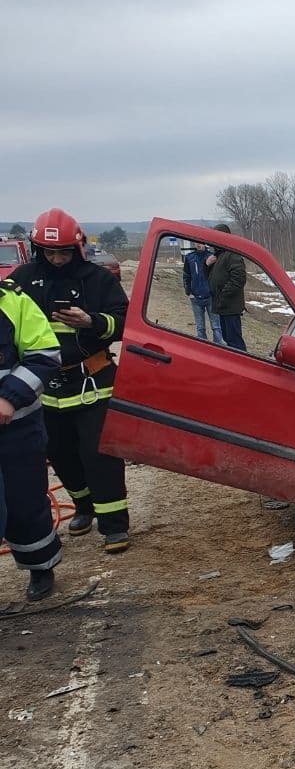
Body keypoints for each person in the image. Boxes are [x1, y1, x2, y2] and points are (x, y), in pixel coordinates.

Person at [9, 208, 131, 554]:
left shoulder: (98, 279)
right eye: (50, 252)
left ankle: (114, 525)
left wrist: (92, 321)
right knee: (59, 453)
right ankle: (84, 507)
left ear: (76, 248)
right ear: (38, 250)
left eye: (64, 251)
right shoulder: (22, 279)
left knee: (100, 455)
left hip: (93, 381)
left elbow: (124, 322)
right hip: (44, 388)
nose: (57, 259)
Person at [0, 280, 63, 599]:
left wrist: (10, 398)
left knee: (25, 503)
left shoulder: (12, 302)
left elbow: (44, 353)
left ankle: (41, 567)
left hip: (15, 431)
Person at [206, 223, 247, 351]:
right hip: (221, 306)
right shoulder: (218, 255)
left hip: (230, 306)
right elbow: (211, 277)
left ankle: (242, 365)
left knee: (234, 340)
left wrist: (223, 295)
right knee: (227, 338)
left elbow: (239, 279)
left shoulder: (232, 254)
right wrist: (206, 265)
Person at [182, 243, 224, 344]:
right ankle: (203, 350)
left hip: (210, 297)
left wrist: (217, 292)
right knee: (200, 328)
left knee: (216, 327)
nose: (198, 245)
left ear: (204, 244)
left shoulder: (211, 257)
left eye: (200, 243)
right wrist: (188, 291)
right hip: (196, 297)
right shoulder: (189, 258)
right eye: (196, 243)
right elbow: (186, 276)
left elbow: (218, 276)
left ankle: (219, 349)